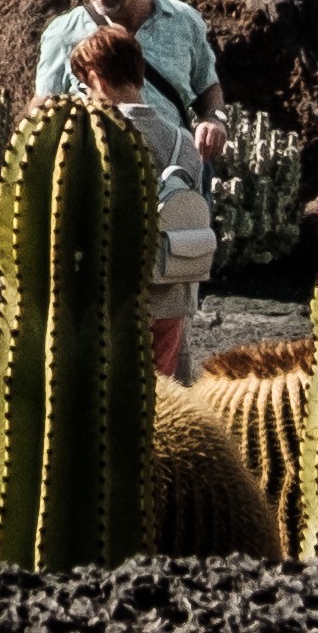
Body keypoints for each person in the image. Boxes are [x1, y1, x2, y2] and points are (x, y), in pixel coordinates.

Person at [73, 21, 216, 378]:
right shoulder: (184, 143)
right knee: (161, 406)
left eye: (83, 84)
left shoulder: (89, 139)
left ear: (97, 78)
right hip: (172, 294)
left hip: (108, 299)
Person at [25, 0, 219, 147]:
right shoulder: (64, 33)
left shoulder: (182, 21)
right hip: (101, 177)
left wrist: (214, 120)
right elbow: (44, 108)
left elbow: (208, 87)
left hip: (174, 173)